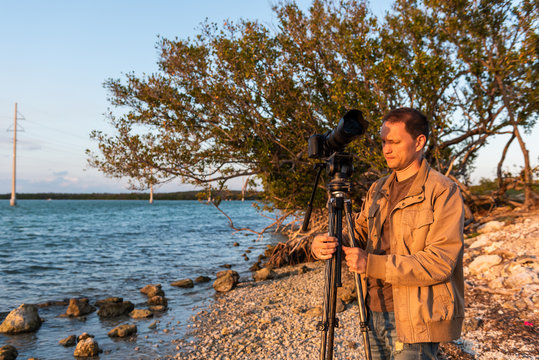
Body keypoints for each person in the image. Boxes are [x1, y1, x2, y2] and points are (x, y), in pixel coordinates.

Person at [311, 108, 465, 360]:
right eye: (383, 141)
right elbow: (358, 234)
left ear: (419, 141)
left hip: (416, 317)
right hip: (371, 310)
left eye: (394, 142)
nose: (386, 149)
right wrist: (324, 244)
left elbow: (440, 262)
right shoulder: (377, 188)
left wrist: (370, 263)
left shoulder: (443, 190)